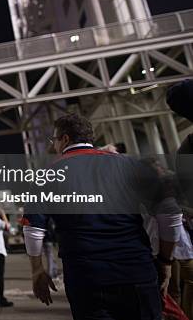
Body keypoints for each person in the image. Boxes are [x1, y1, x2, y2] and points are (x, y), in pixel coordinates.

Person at [23, 113, 182, 320]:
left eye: (54, 140)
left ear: (65, 139)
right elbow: (170, 213)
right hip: (136, 271)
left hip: (86, 277)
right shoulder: (130, 164)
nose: (54, 146)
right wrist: (165, 262)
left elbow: (33, 229)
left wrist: (37, 271)